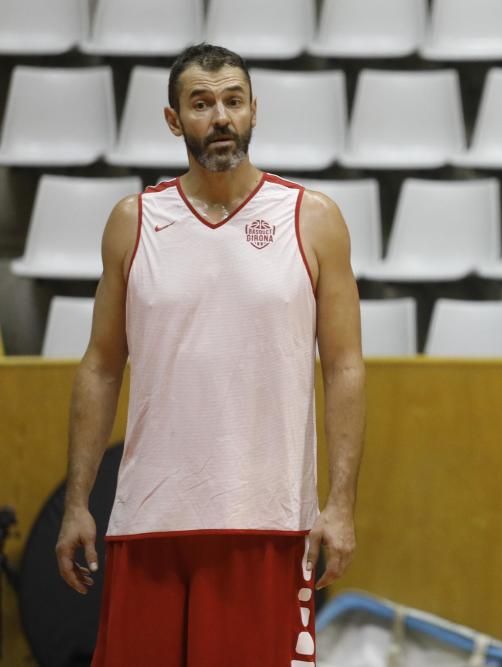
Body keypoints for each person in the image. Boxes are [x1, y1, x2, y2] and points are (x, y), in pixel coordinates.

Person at [53, 44, 365, 666]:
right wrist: (76, 503)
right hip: (148, 520)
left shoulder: (312, 219)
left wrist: (341, 505)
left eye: (233, 101)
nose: (220, 116)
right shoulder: (133, 221)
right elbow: (101, 365)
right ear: (175, 120)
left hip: (269, 523)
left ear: (254, 112)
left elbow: (344, 368)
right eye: (201, 104)